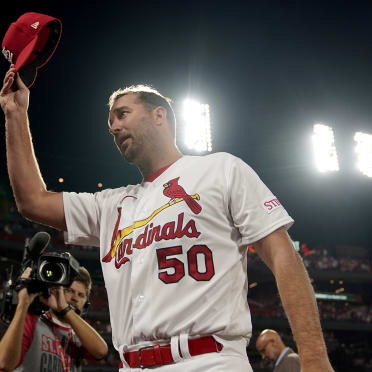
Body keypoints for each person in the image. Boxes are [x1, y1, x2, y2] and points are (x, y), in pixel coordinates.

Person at [0, 65, 335, 372]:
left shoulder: (220, 170)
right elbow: (32, 201)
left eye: (122, 114)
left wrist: (315, 358)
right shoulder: (111, 205)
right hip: (131, 364)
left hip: (210, 360)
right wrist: (16, 114)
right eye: (111, 122)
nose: (113, 127)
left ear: (159, 115)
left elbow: (282, 255)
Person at [0, 265, 108, 372]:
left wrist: (65, 309)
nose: (75, 298)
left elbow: (101, 351)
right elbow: (4, 363)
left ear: (86, 304)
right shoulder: (33, 319)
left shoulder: (80, 335)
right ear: (56, 291)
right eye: (69, 290)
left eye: (81, 295)